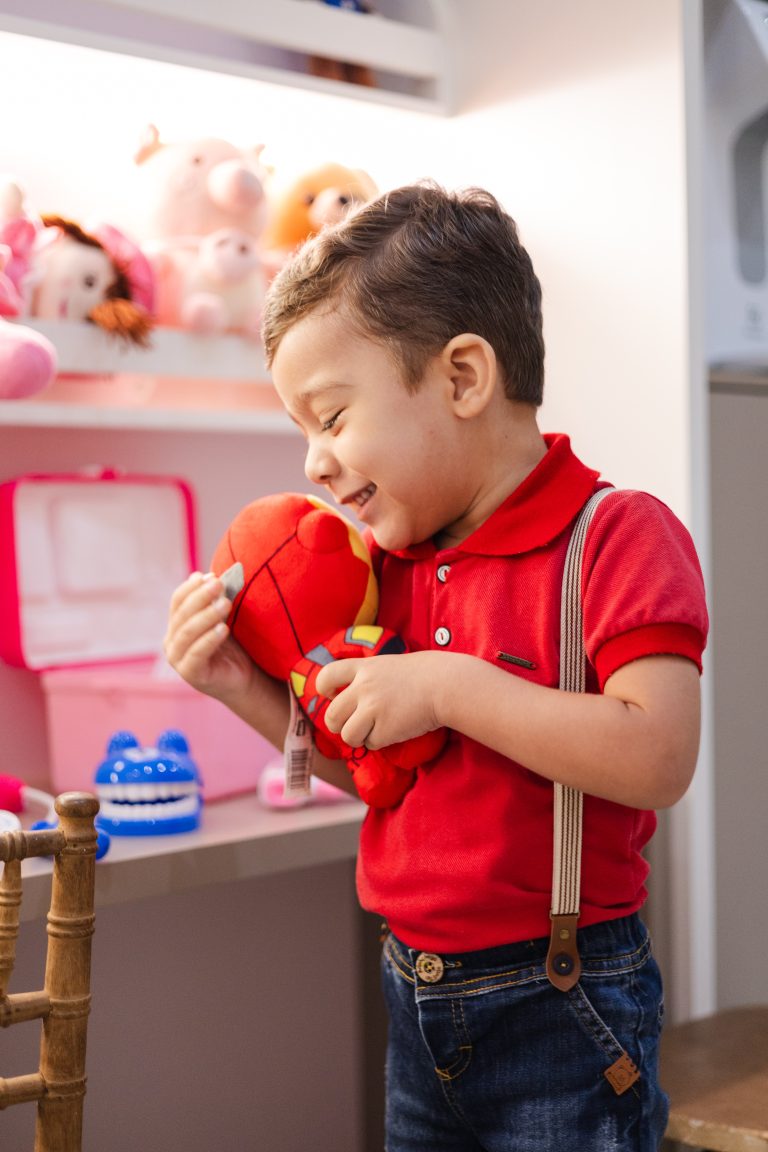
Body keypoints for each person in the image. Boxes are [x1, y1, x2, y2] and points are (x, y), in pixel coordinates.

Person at [163, 182, 708, 1152]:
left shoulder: (614, 537)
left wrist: (450, 687)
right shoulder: (391, 569)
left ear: (462, 378)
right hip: (413, 994)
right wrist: (241, 686)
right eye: (302, 433)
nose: (313, 463)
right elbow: (376, 776)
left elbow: (659, 754)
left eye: (332, 418)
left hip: (563, 1006)